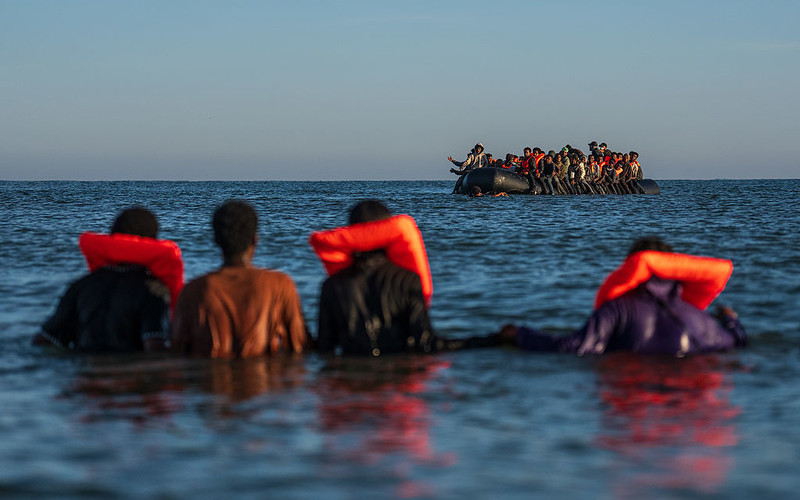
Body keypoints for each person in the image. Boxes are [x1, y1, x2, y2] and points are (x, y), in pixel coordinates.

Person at [310, 200, 499, 356]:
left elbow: (325, 348)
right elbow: (426, 344)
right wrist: (493, 340)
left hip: (350, 382)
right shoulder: (407, 280)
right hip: (397, 379)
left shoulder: (332, 285)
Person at [498, 237, 746, 356]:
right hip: (684, 394)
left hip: (632, 386)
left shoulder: (618, 310)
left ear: (629, 268)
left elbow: (577, 347)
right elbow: (735, 340)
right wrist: (731, 320)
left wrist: (520, 335)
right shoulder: (700, 320)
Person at [171, 200, 310, 358]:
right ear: (255, 240)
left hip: (214, 377)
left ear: (216, 240)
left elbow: (178, 348)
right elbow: (299, 345)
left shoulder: (193, 290)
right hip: (264, 379)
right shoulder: (281, 285)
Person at [34, 207, 183, 353]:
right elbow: (153, 346)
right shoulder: (153, 290)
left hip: (87, 371)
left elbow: (44, 340)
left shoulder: (81, 286)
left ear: (113, 235)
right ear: (152, 242)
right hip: (128, 371)